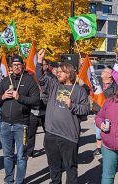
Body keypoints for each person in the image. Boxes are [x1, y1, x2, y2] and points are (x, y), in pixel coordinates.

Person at [36, 49, 89, 183]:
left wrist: (72, 105)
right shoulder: (54, 85)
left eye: (61, 71)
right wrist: (39, 61)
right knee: (54, 167)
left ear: (69, 74)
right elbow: (41, 78)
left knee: (70, 167)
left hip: (69, 136)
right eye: (57, 71)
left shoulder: (79, 90)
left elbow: (86, 109)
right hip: (51, 134)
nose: (57, 73)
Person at [0, 55, 40, 184]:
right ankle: (9, 180)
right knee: (7, 155)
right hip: (5, 124)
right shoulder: (5, 80)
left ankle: (19, 181)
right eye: (14, 65)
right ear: (11, 67)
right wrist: (2, 97)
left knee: (21, 156)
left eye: (19, 65)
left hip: (21, 125)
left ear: (23, 66)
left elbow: (36, 101)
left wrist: (20, 97)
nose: (16, 67)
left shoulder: (29, 81)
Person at [26, 59, 50, 158]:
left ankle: (48, 148)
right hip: (33, 110)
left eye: (43, 65)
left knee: (48, 132)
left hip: (45, 110)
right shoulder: (32, 77)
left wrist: (46, 91)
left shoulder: (50, 78)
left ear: (47, 66)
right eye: (39, 65)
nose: (40, 67)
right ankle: (29, 151)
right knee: (31, 133)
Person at [93, 67, 118, 156]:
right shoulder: (97, 82)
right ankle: (98, 147)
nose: (102, 72)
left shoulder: (115, 85)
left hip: (109, 111)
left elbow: (116, 98)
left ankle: (107, 146)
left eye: (105, 71)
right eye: (103, 71)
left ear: (110, 75)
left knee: (108, 130)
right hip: (98, 110)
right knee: (98, 131)